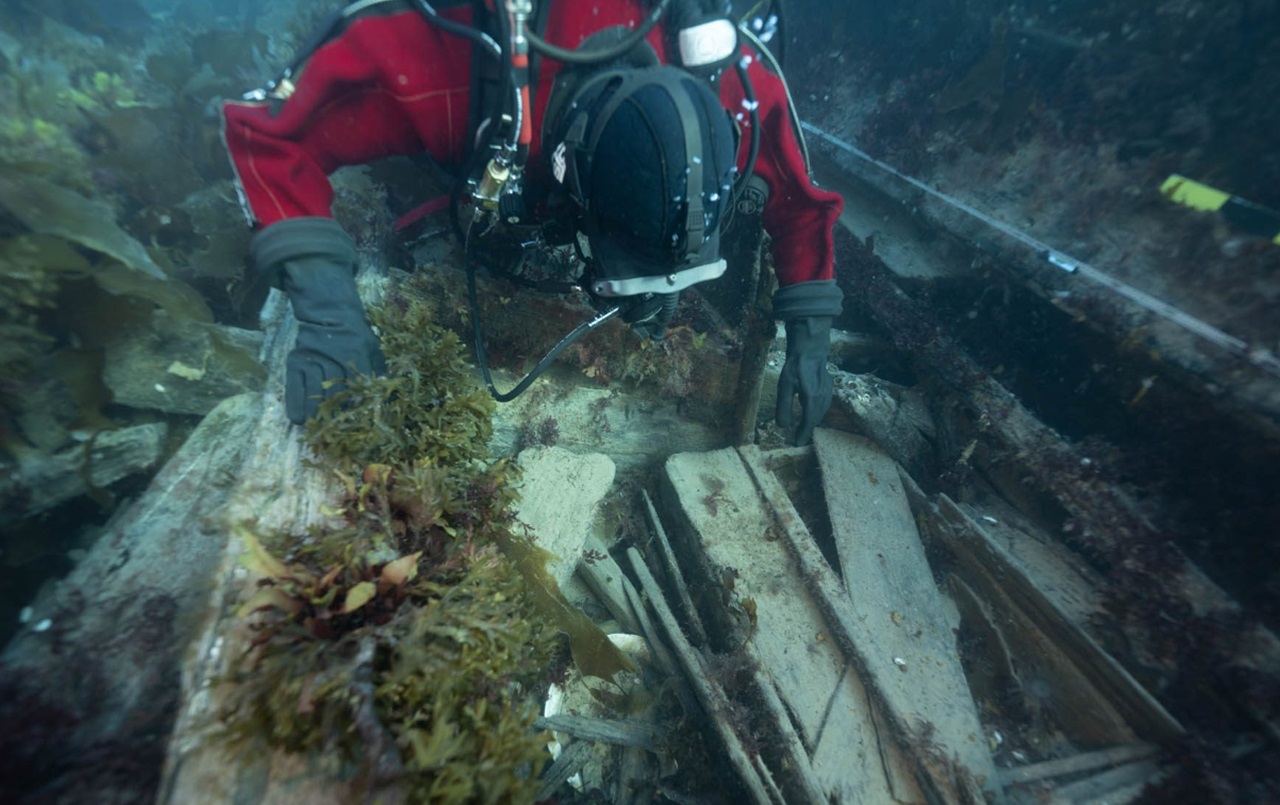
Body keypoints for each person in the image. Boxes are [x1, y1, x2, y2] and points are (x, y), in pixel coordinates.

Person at [222, 0, 843, 445]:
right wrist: (327, 307)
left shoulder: (729, 80)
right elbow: (270, 137)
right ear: (568, 164)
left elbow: (801, 205)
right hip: (475, 129)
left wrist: (810, 340)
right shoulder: (445, 71)